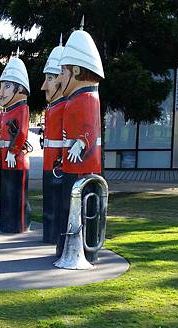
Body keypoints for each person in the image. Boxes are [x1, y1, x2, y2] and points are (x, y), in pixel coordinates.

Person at [55, 18, 104, 262]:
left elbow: (90, 127)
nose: (58, 78)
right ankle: (66, 250)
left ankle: (86, 253)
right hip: (71, 166)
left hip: (84, 167)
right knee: (68, 209)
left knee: (85, 211)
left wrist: (81, 142)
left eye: (62, 71)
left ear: (75, 70)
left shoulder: (87, 98)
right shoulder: (74, 100)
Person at [0, 52, 31, 233]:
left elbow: (22, 132)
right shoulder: (7, 111)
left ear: (20, 89)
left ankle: (18, 224)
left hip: (15, 156)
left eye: (7, 86)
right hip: (6, 154)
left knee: (16, 191)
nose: (1, 92)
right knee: (6, 191)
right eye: (2, 86)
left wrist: (12, 151)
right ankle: (7, 223)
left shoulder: (22, 108)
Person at [41, 37, 66, 244]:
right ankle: (48, 234)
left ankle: (54, 235)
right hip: (49, 159)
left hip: (57, 161)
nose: (44, 86)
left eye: (50, 78)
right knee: (49, 200)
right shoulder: (52, 107)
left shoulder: (65, 106)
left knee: (57, 201)